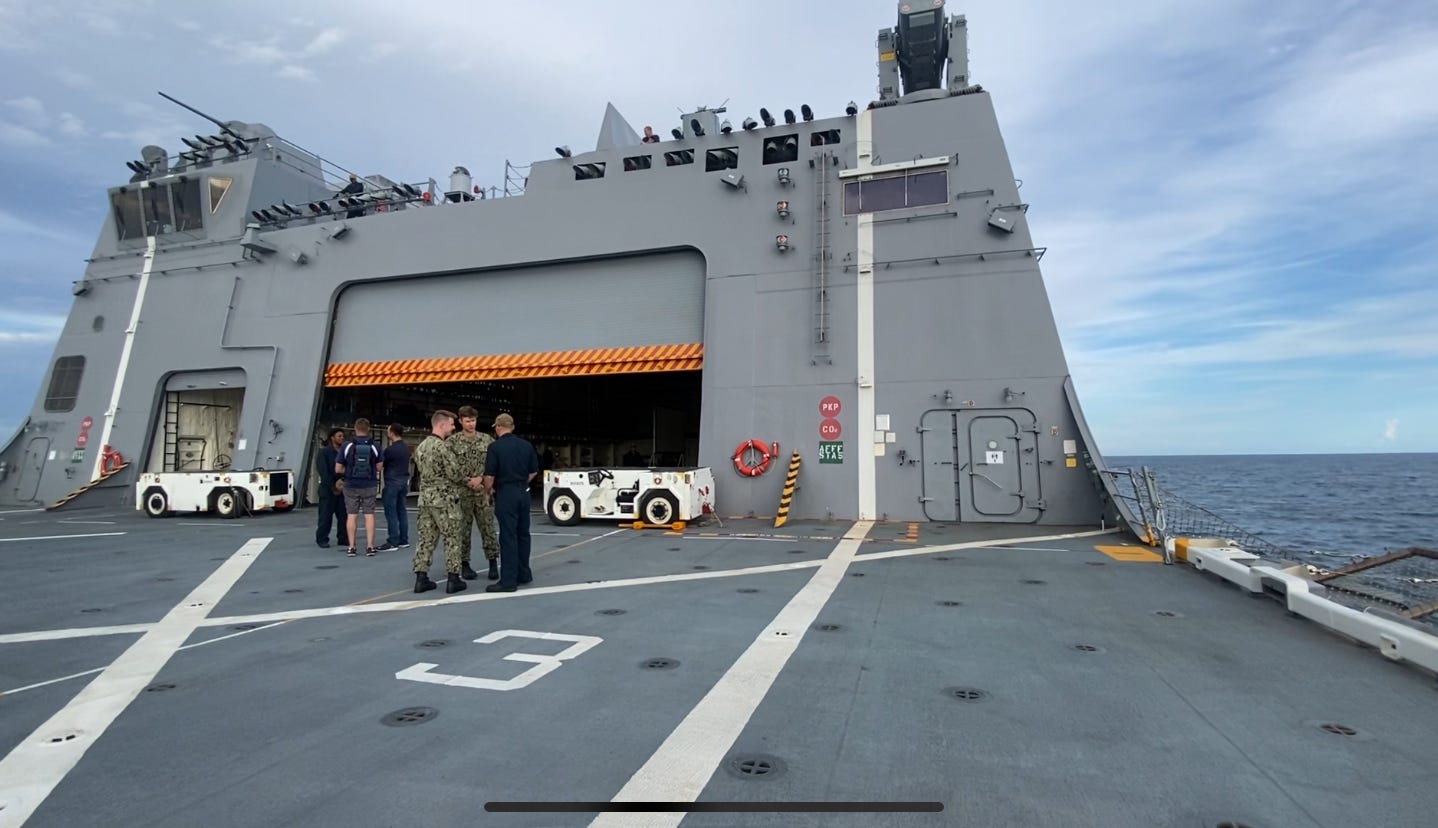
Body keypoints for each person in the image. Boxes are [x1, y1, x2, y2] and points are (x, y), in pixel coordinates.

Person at [412, 410, 469, 594]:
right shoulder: (442, 447)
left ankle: (421, 577)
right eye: (452, 424)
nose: (453, 427)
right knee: (452, 537)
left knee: (426, 538)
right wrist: (469, 481)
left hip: (425, 498)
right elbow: (454, 473)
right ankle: (453, 578)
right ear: (442, 425)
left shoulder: (421, 447)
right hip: (444, 499)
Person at [482, 412, 539, 592]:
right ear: (512, 427)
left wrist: (487, 493)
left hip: (506, 493)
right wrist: (521, 483)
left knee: (508, 536)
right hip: (523, 491)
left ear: (498, 427)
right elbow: (533, 471)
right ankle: (524, 573)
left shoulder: (495, 448)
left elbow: (490, 476)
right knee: (523, 534)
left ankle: (508, 580)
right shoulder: (526, 445)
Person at [447, 406, 499, 581]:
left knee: (488, 528)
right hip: (462, 492)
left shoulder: (487, 440)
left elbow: (494, 464)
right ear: (460, 421)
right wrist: (466, 480)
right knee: (463, 530)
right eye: (468, 421)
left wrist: (481, 479)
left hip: (484, 492)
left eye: (474, 420)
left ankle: (493, 562)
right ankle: (464, 564)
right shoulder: (452, 442)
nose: (471, 424)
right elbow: (449, 467)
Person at [336, 417, 383, 557]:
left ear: (355, 428)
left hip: (350, 485)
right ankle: (370, 546)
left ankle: (351, 547)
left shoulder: (347, 446)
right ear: (368, 429)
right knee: (369, 515)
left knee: (351, 515)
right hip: (369, 484)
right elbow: (379, 467)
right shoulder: (375, 446)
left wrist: (350, 471)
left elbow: (338, 468)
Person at [315, 428, 349, 549]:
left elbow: (348, 468)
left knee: (343, 515)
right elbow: (323, 472)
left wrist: (343, 481)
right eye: (339, 436)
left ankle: (343, 538)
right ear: (332, 438)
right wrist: (333, 485)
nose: (341, 438)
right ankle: (322, 539)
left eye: (342, 436)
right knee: (325, 515)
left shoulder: (345, 453)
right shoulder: (323, 452)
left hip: (342, 488)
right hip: (327, 489)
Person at [379, 423, 411, 551]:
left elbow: (381, 465)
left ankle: (393, 541)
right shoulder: (405, 448)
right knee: (401, 511)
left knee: (391, 512)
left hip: (392, 482)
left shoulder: (390, 450)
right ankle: (404, 539)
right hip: (403, 482)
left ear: (392, 432)